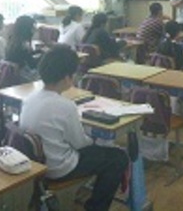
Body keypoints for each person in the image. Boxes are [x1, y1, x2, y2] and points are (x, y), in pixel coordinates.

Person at [20, 45, 128, 211]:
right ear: (66, 78)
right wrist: (95, 139)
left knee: (102, 152)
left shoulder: (30, 98)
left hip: (37, 164)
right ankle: (96, 207)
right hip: (59, 168)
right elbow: (80, 144)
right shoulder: (65, 106)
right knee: (118, 157)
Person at [5, 15, 41, 80]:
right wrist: (44, 56)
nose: (35, 30)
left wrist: (39, 51)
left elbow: (24, 55)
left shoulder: (13, 40)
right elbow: (32, 65)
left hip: (14, 74)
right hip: (24, 76)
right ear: (27, 29)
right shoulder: (24, 44)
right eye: (33, 27)